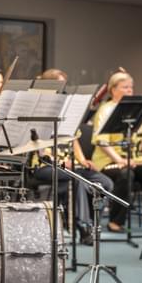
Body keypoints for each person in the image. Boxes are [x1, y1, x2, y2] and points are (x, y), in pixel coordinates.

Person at [31, 68, 113, 245]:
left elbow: (74, 140)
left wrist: (82, 160)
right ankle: (83, 227)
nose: (62, 89)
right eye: (59, 85)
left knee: (105, 183)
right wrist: (61, 162)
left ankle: (93, 224)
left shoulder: (66, 110)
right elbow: (39, 149)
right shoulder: (38, 111)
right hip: (44, 166)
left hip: (68, 165)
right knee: (77, 180)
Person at [91, 70, 142, 233]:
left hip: (136, 160)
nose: (130, 91)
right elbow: (101, 141)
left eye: (131, 87)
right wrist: (118, 160)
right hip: (108, 162)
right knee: (126, 174)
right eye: (125, 87)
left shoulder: (137, 110)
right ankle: (116, 221)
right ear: (113, 89)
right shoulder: (105, 110)